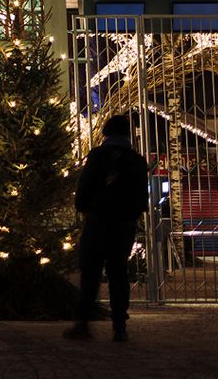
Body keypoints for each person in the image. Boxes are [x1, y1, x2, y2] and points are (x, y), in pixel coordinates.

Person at [64, 115, 148, 342]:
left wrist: (84, 206)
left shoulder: (99, 156)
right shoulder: (137, 161)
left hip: (98, 222)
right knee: (118, 273)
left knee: (90, 273)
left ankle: (82, 324)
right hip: (124, 226)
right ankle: (119, 326)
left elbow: (85, 188)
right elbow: (143, 199)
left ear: (106, 133)